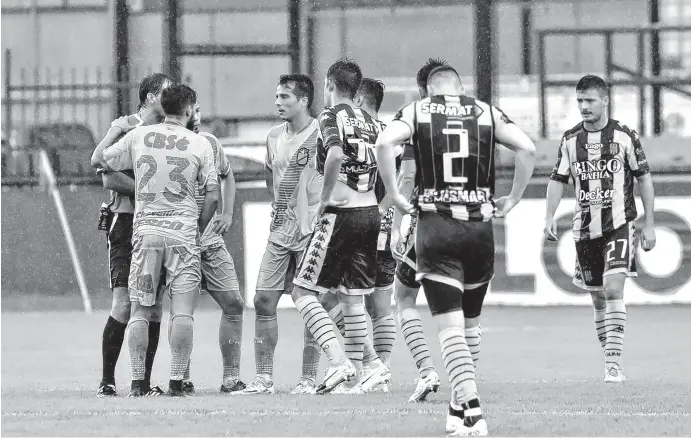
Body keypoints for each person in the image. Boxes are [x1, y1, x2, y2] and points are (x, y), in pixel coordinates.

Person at [376, 65, 536, 436]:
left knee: (448, 327)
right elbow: (527, 148)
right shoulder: (485, 111)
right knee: (470, 324)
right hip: (480, 231)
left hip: (437, 228)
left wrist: (396, 195)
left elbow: (384, 143)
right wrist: (512, 198)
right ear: (460, 89)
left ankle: (473, 410)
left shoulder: (419, 111)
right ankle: (455, 407)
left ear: (430, 90)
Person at [98, 84, 220, 397]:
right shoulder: (199, 143)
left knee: (141, 311)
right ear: (191, 109)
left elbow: (103, 160)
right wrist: (197, 227)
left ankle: (138, 384)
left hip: (147, 231)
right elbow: (213, 195)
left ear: (163, 107)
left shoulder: (140, 136)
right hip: (182, 232)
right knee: (182, 312)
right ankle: (176, 383)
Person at [544, 74, 656, 383]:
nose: (583, 106)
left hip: (619, 224)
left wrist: (650, 222)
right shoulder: (569, 140)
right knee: (597, 299)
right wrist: (549, 215)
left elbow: (644, 178)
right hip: (584, 229)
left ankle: (612, 367)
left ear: (605, 100)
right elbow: (557, 180)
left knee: (613, 289)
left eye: (590, 100)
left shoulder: (624, 136)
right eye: (580, 100)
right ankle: (611, 356)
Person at [290, 59, 389, 394]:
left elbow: (333, 155)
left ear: (329, 84)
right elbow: (387, 167)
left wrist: (325, 200)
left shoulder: (331, 117)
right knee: (352, 297)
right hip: (370, 215)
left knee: (303, 292)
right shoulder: (375, 124)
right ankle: (373, 366)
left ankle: (338, 362)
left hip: (341, 214)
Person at [238, 74, 324, 395]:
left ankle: (308, 379)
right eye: (276, 96)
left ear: (303, 101)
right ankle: (263, 379)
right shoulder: (273, 136)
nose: (278, 102)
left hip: (312, 230)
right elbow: (269, 176)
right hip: (280, 232)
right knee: (263, 299)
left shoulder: (322, 136)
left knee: (311, 304)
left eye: (285, 97)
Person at [90, 73, 173, 397]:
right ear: (151, 97)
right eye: (166, 92)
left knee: (152, 305)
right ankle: (107, 381)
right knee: (123, 304)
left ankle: (143, 382)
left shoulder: (170, 134)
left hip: (157, 223)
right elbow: (104, 173)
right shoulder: (125, 126)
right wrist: (145, 189)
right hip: (126, 222)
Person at [177, 99, 246, 394]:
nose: (197, 115)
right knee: (182, 311)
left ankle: (231, 378)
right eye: (192, 109)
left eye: (200, 109)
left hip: (210, 239)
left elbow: (228, 176)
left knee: (233, 302)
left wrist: (228, 213)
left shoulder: (210, 142)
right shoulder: (170, 144)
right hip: (181, 239)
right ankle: (181, 378)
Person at [390, 58, 448, 403]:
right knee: (463, 306)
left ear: (424, 88)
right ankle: (466, 380)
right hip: (472, 223)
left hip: (430, 222)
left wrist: (398, 223)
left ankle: (427, 371)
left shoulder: (416, 117)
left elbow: (408, 174)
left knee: (404, 297)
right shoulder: (476, 117)